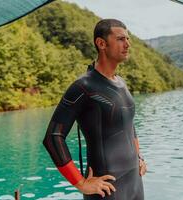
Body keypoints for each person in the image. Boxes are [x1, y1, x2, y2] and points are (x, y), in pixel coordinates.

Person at [43, 19, 147, 200]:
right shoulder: (83, 87)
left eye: (128, 39)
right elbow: (53, 137)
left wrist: (140, 157)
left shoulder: (121, 83)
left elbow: (128, 124)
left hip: (135, 181)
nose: (128, 44)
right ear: (101, 43)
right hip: (105, 187)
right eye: (121, 39)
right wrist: (80, 183)